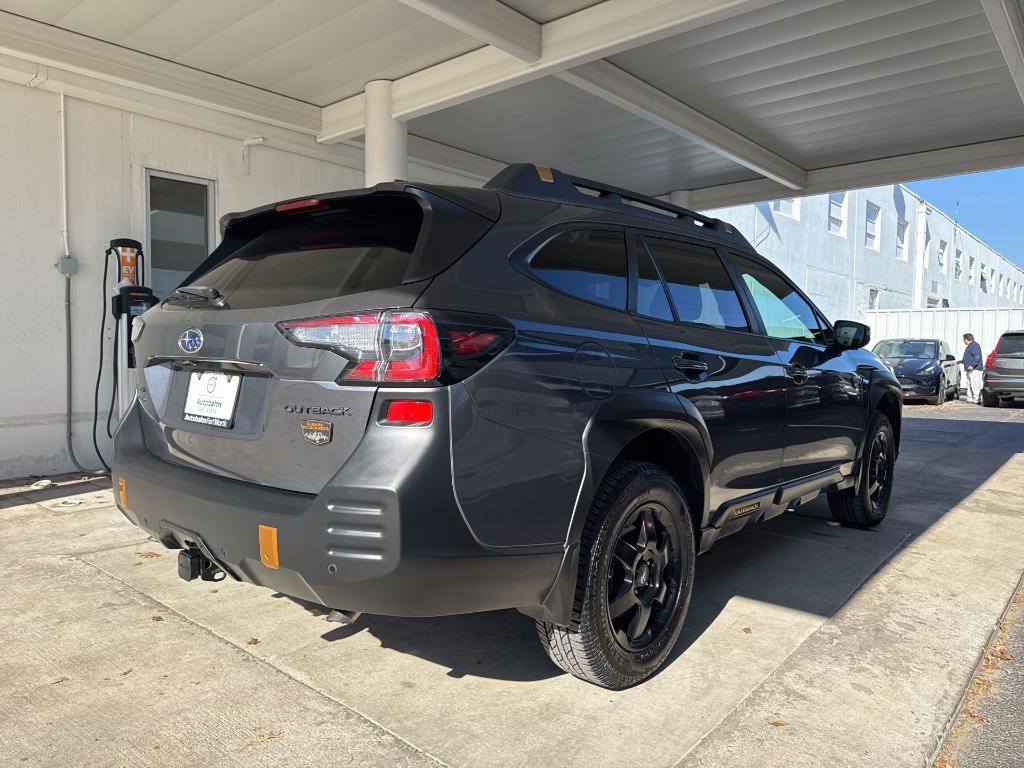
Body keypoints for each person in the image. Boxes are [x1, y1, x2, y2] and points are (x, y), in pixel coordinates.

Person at [962, 333, 984, 404]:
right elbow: (967, 358)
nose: (963, 341)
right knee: (969, 384)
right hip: (969, 369)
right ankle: (970, 398)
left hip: (975, 369)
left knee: (975, 384)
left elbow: (976, 357)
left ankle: (976, 399)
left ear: (968, 339)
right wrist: (959, 362)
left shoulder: (975, 346)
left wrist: (972, 365)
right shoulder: (969, 346)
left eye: (964, 339)